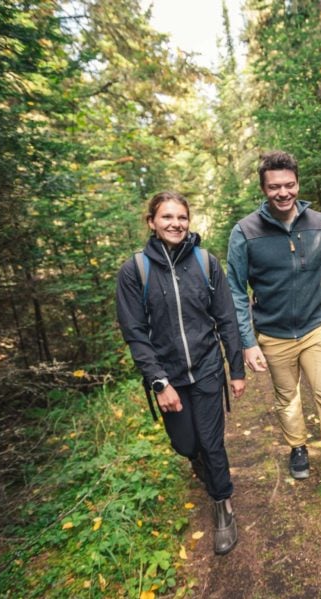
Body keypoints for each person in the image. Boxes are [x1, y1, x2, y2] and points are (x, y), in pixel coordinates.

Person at [226, 150, 321, 512]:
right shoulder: (245, 232)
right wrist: (247, 342)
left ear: (298, 184)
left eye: (289, 185)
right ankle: (298, 445)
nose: (283, 193)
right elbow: (235, 292)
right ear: (263, 188)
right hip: (273, 334)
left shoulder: (319, 223)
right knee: (287, 398)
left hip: (317, 326)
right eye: (274, 187)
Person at [116, 191, 246, 555]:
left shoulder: (206, 263)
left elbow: (226, 319)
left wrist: (235, 369)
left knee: (211, 441)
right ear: (152, 222)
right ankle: (198, 462)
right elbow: (135, 332)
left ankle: (223, 507)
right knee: (186, 445)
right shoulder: (135, 270)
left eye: (182, 217)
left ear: (189, 221)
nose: (175, 223)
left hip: (206, 369)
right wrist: (159, 382)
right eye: (167, 217)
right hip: (168, 376)